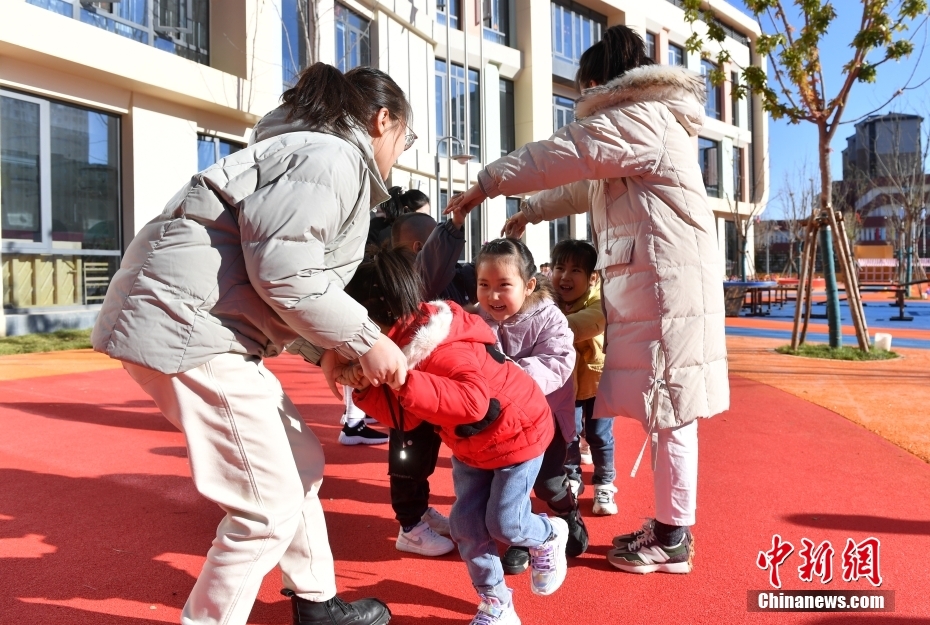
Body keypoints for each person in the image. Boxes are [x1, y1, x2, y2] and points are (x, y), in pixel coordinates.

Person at [92, 62, 415, 625]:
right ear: (382, 120)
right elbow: (286, 273)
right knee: (266, 508)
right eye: (404, 139)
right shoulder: (331, 157)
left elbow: (272, 274)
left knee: (301, 462)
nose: (401, 153)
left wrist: (329, 350)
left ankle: (317, 603)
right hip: (192, 327)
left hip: (199, 323)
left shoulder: (303, 151)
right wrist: (366, 339)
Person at [446, 24, 729, 575]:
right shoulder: (644, 125)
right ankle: (672, 527)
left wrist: (488, 181)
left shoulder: (640, 119)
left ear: (603, 83)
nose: (582, 101)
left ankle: (673, 536)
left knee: (671, 413)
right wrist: (532, 209)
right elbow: (583, 183)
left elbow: (569, 151)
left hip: (669, 293)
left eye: (585, 88)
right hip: (661, 287)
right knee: (667, 411)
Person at [344, 248, 569, 625]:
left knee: (506, 524)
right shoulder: (403, 348)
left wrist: (403, 380)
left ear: (377, 322)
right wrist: (366, 389)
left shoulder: (444, 349)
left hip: (519, 437)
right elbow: (408, 418)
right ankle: (497, 603)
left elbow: (472, 403)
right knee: (465, 526)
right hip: (471, 446)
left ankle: (548, 533)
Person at [473, 238, 588, 575]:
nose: (493, 296)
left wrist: (507, 379)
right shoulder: (476, 320)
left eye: (503, 286)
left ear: (529, 285)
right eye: (484, 285)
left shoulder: (548, 317)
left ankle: (566, 512)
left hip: (543, 421)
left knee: (548, 482)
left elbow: (557, 361)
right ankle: (521, 540)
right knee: (506, 483)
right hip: (498, 422)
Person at [551, 239, 615, 515]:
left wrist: (546, 325)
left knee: (600, 435)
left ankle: (605, 482)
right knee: (568, 435)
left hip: (599, 381)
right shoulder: (548, 299)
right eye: (559, 267)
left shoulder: (600, 301)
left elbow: (585, 323)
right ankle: (572, 478)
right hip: (568, 384)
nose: (565, 276)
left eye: (575, 270)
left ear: (591, 278)